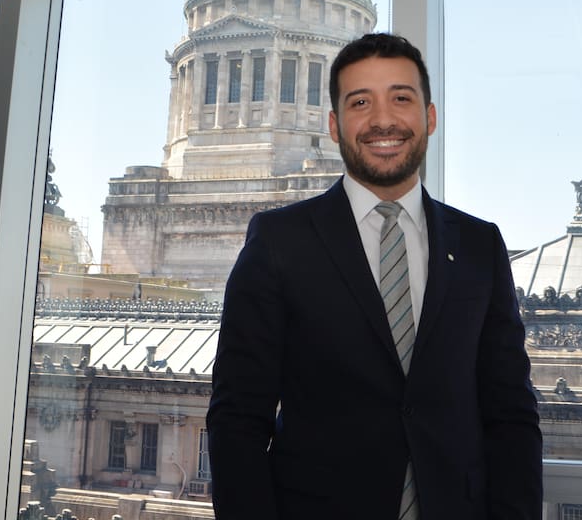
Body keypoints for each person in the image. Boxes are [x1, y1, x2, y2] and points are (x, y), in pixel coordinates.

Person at [207, 33, 542, 520]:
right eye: (360, 102)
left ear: (429, 117)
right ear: (334, 124)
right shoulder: (279, 241)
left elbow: (511, 413)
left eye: (401, 98)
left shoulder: (480, 245)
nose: (383, 120)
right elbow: (237, 418)